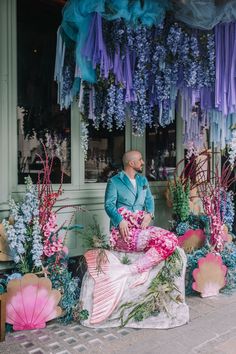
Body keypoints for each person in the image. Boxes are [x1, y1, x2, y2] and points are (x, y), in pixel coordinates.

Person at [104, 150, 178, 276]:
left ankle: (136, 269)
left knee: (171, 238)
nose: (143, 162)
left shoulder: (142, 180)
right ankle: (138, 270)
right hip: (123, 232)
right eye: (140, 159)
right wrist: (120, 220)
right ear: (131, 163)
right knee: (167, 241)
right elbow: (109, 205)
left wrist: (149, 214)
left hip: (141, 229)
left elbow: (149, 199)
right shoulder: (114, 181)